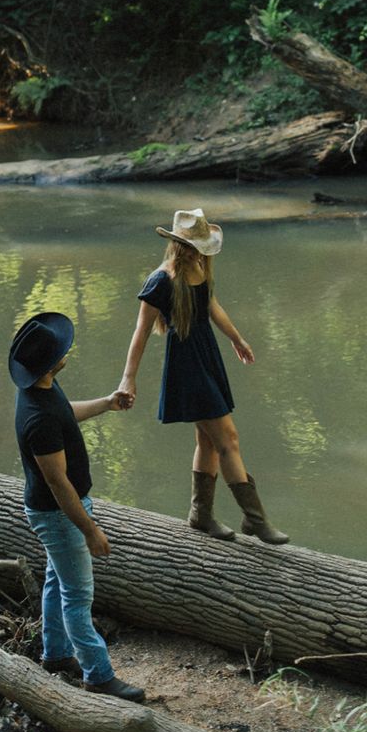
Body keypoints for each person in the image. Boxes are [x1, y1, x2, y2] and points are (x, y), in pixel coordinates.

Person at [119, 208, 288, 545]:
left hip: (207, 356)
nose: (200, 252)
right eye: (195, 246)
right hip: (187, 364)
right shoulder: (161, 280)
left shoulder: (199, 267)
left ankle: (200, 515)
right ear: (181, 245)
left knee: (208, 441)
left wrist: (237, 339)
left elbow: (213, 307)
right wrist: (128, 378)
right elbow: (140, 332)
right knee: (229, 439)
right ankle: (255, 520)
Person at [10, 311, 145, 703]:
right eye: (61, 349)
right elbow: (58, 483)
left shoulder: (41, 390)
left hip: (54, 513)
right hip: (59, 515)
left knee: (57, 581)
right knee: (77, 595)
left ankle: (55, 654)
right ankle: (98, 674)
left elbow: (66, 413)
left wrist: (107, 403)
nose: (67, 350)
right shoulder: (39, 418)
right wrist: (89, 530)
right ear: (53, 363)